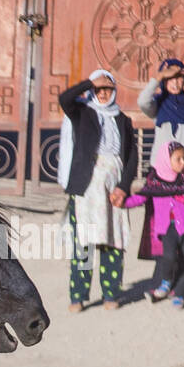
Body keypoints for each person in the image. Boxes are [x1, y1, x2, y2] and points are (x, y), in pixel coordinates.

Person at [58, 69, 138, 312]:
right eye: (100, 89)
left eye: (108, 89)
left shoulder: (123, 119)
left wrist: (124, 187)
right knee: (83, 241)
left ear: (114, 91)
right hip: (86, 187)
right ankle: (78, 296)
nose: (103, 94)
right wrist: (89, 83)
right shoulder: (82, 112)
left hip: (113, 186)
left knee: (113, 241)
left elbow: (132, 156)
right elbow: (65, 99)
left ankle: (111, 293)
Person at [124, 140, 184, 310]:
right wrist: (122, 203)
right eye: (178, 159)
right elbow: (141, 197)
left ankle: (180, 294)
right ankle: (166, 281)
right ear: (166, 159)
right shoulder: (155, 181)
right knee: (169, 257)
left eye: (183, 159)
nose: (183, 163)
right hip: (166, 228)